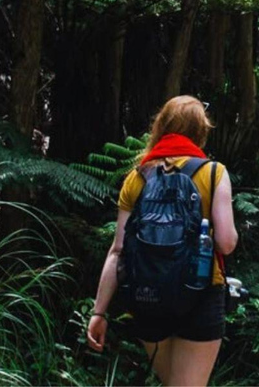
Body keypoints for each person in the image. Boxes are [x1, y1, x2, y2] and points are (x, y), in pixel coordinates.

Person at [86, 95, 238, 386]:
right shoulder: (214, 173)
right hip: (201, 294)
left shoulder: (137, 177)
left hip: (148, 296)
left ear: (161, 127)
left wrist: (99, 312)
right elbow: (227, 243)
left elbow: (118, 251)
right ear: (200, 131)